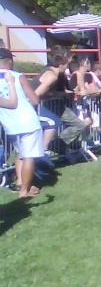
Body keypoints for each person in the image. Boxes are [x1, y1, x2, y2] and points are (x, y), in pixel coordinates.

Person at [0, 48, 44, 197]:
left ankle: (21, 182)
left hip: (10, 123)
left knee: (20, 154)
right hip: (27, 121)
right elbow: (34, 99)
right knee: (29, 156)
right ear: (10, 62)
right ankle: (24, 190)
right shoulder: (18, 77)